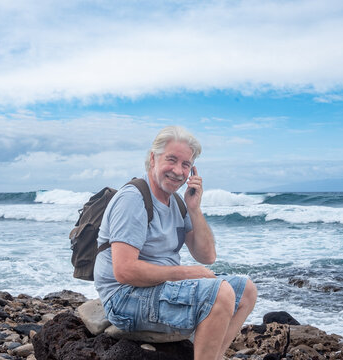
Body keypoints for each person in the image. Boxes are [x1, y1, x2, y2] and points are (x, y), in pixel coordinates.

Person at [94, 126, 257, 360]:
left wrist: (194, 209)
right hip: (124, 298)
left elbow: (207, 256)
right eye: (172, 160)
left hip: (158, 290)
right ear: (153, 158)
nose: (178, 171)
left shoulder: (178, 204)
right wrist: (185, 273)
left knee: (246, 290)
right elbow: (124, 270)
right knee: (219, 293)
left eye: (186, 164)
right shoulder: (133, 198)